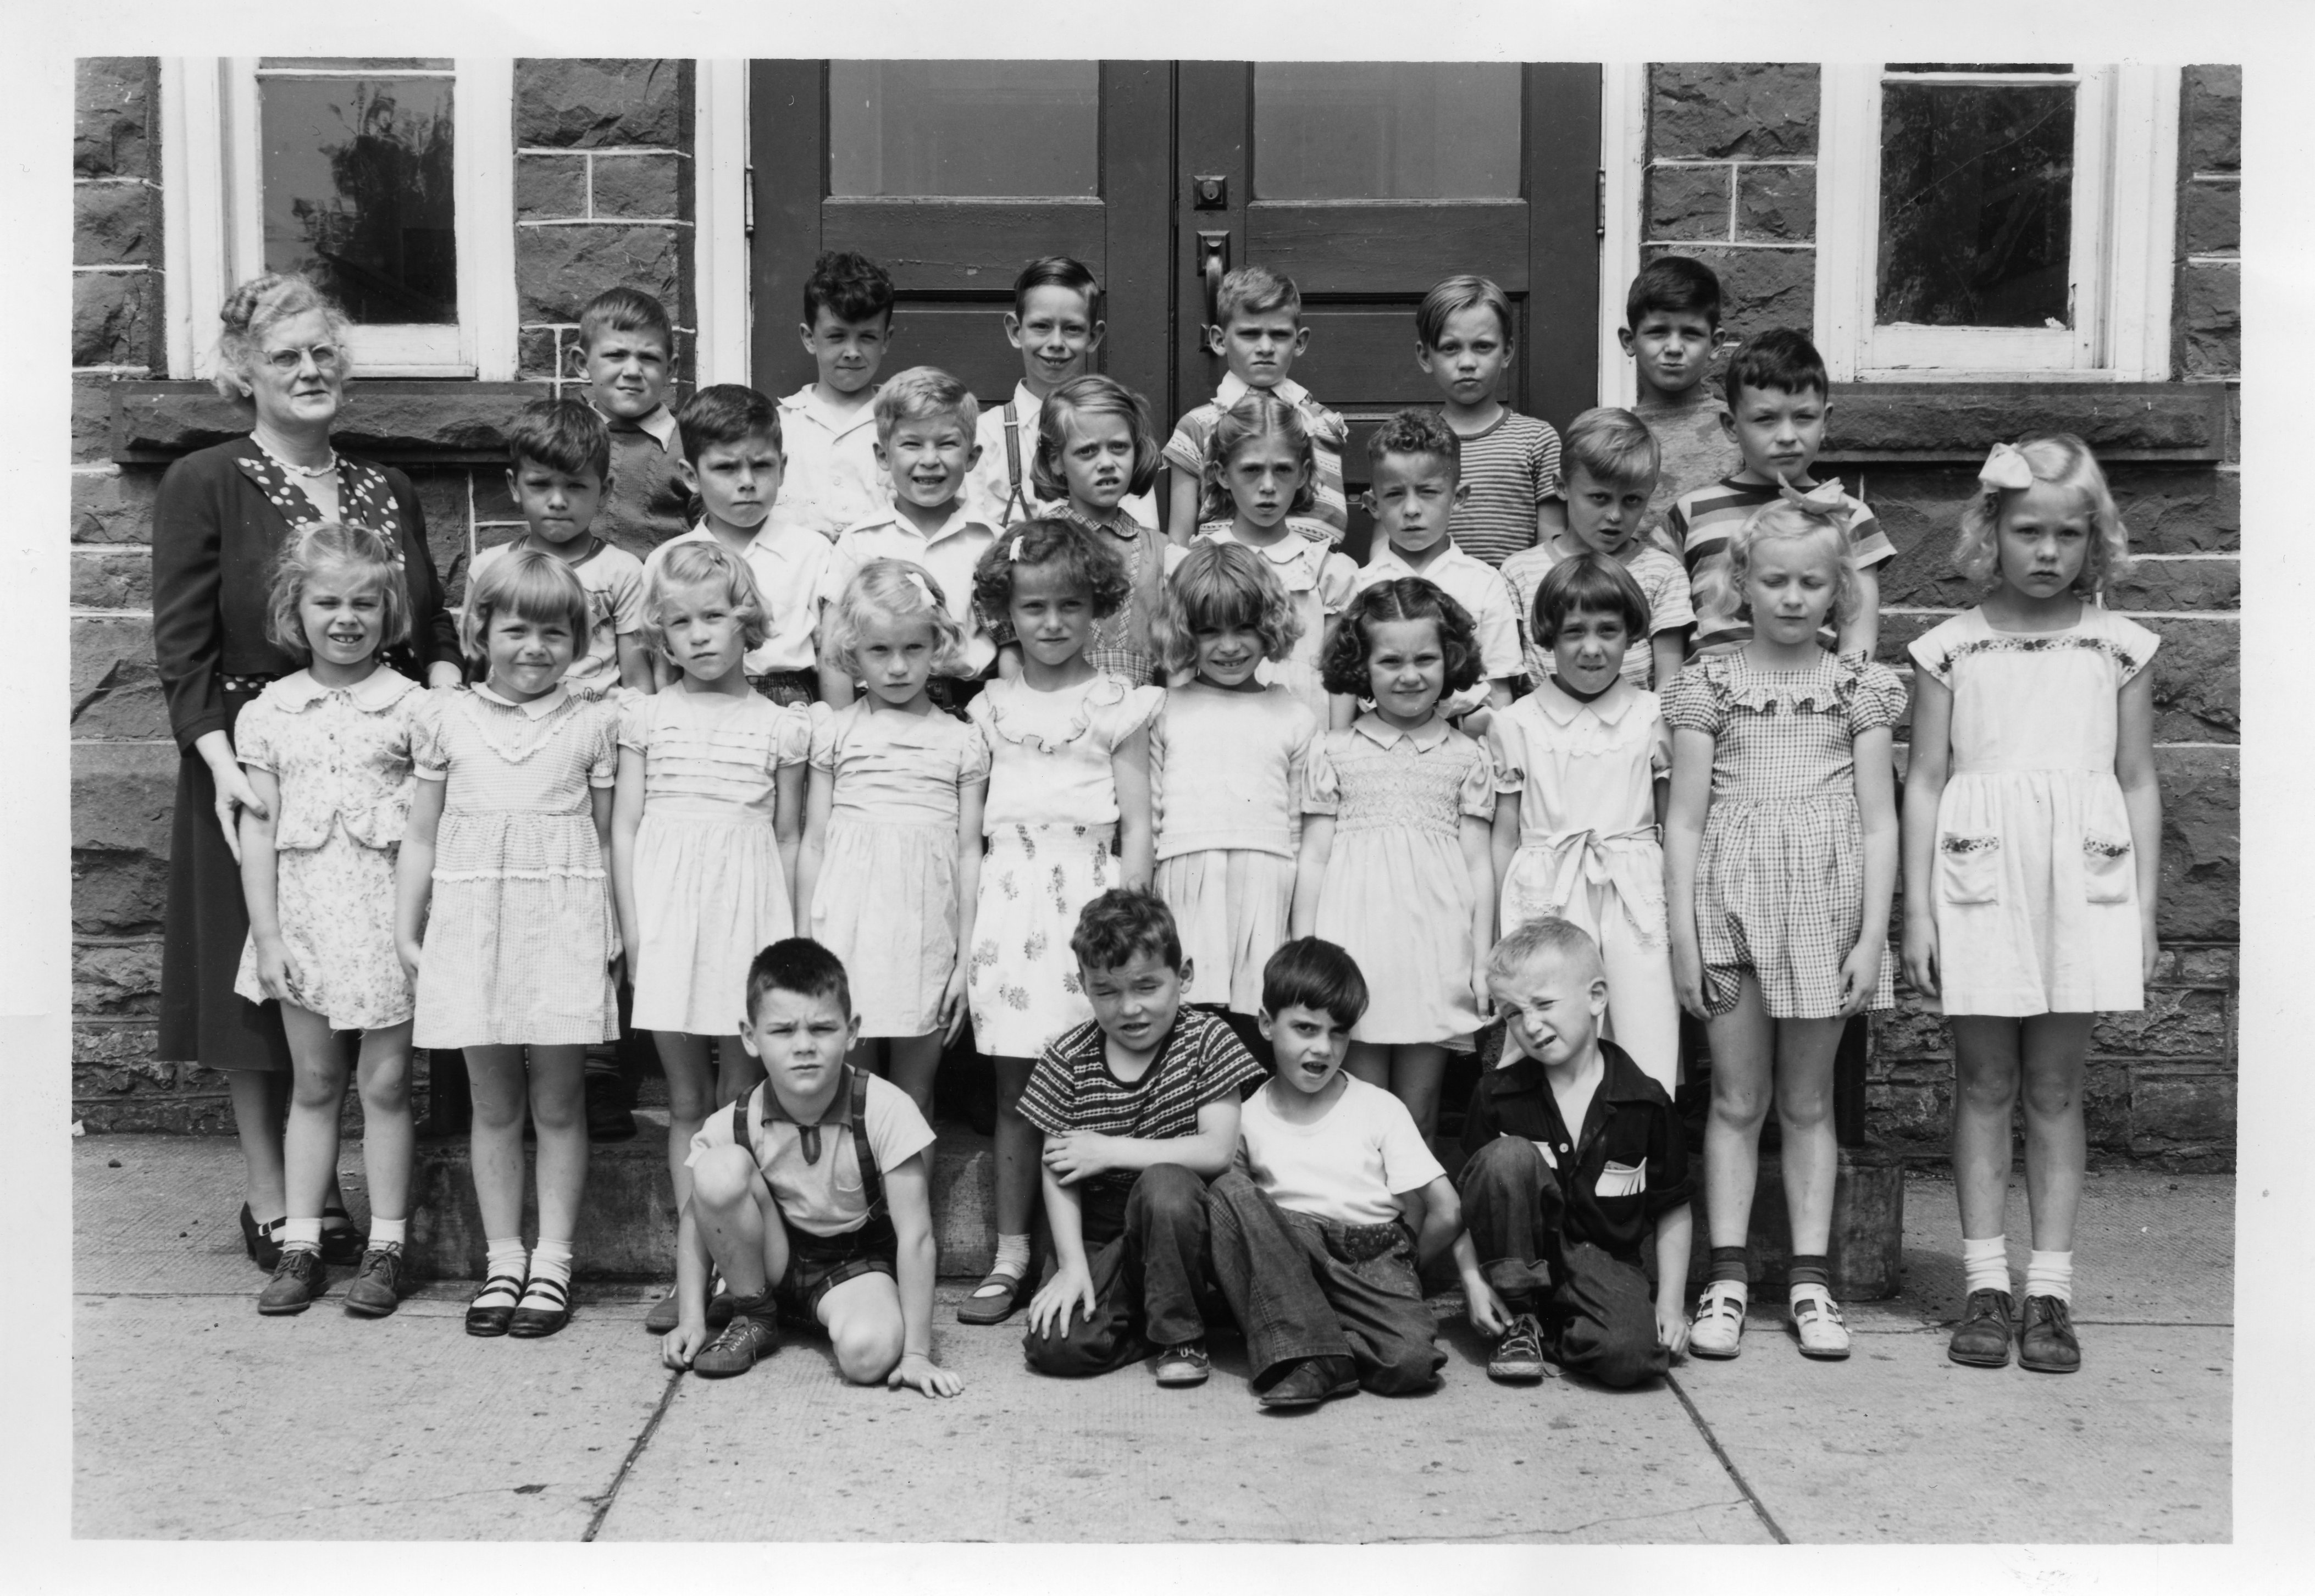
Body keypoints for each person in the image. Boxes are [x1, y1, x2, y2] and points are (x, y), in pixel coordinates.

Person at [151, 272, 460, 1273]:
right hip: (256, 761)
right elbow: (182, 644)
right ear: (243, 372)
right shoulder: (206, 478)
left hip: (377, 760)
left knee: (371, 971)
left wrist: (447, 712)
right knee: (263, 979)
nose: (310, 369)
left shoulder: (386, 486)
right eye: (285, 355)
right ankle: (276, 1190)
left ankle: (369, 1210)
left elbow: (434, 630)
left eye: (325, 351)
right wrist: (218, 761)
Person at [1901, 437, 2162, 1376]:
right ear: (1990, 533)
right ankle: (1983, 1279)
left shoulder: (2116, 646)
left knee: (2053, 1086)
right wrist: (1918, 910)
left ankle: (2048, 1286)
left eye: (2066, 533)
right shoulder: (1950, 648)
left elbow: (2136, 779)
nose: (2046, 551)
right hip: (1980, 869)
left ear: (2094, 540)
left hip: (2081, 873)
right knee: (1983, 1082)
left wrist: (2139, 908)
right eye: (2027, 531)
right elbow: (1925, 780)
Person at [1663, 498, 1907, 1362]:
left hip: (1824, 914)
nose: (1794, 598)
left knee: (1807, 1102)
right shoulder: (1709, 685)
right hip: (1729, 907)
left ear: (1840, 589)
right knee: (1736, 1099)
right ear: (1742, 587)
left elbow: (1881, 822)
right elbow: (1685, 821)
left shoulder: (1860, 686)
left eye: (1813, 582)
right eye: (1776, 581)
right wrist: (1685, 937)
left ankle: (1810, 1281)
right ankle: (1724, 1282)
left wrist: (1872, 935)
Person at [395, 550, 622, 1340]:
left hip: (561, 923)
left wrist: (615, 930)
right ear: (480, 630)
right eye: (516, 629)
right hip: (471, 922)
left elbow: (606, 838)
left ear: (578, 640)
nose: (535, 648)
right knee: (493, 1105)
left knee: (558, 1103)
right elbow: (421, 835)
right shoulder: (444, 717)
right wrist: (408, 924)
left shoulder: (594, 721)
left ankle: (554, 1260)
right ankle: (503, 1259)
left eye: (554, 633)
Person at [956, 522, 1164, 1326]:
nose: (1051, 623)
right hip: (1010, 907)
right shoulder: (992, 706)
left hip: (1091, 900)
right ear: (1007, 612)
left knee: (1091, 1083)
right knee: (1017, 1089)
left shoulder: (1120, 704)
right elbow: (972, 833)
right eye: (1033, 607)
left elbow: (1139, 826)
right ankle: (1013, 1253)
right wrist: (968, 928)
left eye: (1070, 606)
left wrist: (1131, 922)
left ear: (1098, 608)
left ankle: (1087, 1257)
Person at [612, 542, 810, 1337]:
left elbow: (790, 837)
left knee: (740, 1105)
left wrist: (791, 940)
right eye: (680, 623)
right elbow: (625, 827)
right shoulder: (646, 717)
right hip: (667, 913)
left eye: (715, 618)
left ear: (748, 622)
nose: (699, 637)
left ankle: (747, 1271)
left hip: (749, 910)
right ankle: (687, 1267)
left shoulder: (781, 726)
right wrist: (632, 930)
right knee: (686, 1101)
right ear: (661, 633)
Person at [231, 524, 424, 1317]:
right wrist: (268, 936)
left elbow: (431, 825)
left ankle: (386, 1246)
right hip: (306, 914)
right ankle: (301, 1243)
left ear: (389, 611)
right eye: (327, 602)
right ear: (295, 609)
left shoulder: (414, 708)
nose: (346, 618)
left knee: (383, 1084)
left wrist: (420, 930)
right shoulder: (273, 712)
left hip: (385, 917)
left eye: (364, 602)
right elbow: (257, 831)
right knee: (313, 1082)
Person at [659, 940, 961, 1395]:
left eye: (822, 1028)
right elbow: (694, 1218)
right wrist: (690, 1319)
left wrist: (917, 1354)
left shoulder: (884, 1109)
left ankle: (826, 1314)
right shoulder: (738, 1119)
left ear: (852, 1030)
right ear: (749, 1036)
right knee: (715, 1170)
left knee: (869, 1357)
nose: (804, 1046)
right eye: (782, 1031)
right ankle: (756, 1312)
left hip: (853, 1263)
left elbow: (917, 1236)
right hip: (774, 1258)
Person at [1205, 938, 1491, 1407]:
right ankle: (1316, 1342)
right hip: (1291, 1257)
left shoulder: (1379, 1108)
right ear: (1265, 1024)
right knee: (1229, 1191)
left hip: (1373, 1257)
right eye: (1304, 1028)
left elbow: (1447, 1208)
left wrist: (1406, 1267)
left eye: (1338, 1032)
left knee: (1411, 1363)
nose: (1323, 1047)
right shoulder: (1247, 1117)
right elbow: (1242, 1227)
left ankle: (1320, 1349)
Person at [1018, 890, 1267, 1384]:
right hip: (1105, 1236)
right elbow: (1059, 1167)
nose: (1129, 1009)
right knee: (1056, 1349)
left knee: (1165, 1185)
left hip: (1185, 1227)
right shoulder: (1067, 1058)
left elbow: (1217, 1151)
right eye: (1107, 991)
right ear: (1084, 988)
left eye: (1146, 986)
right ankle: (1153, 1327)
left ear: (1185, 976)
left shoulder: (1206, 1041)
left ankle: (1182, 1337)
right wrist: (1071, 1267)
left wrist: (1108, 1150)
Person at [1292, 579, 1496, 1143]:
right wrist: (1303, 953)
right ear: (1362, 668)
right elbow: (1313, 858)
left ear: (1450, 660)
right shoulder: (1334, 752)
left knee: (1419, 1111)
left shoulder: (1467, 757)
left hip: (1434, 949)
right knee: (1357, 1104)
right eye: (1391, 661)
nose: (1410, 676)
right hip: (1353, 943)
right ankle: (1360, 1225)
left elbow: (1479, 866)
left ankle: (1412, 1227)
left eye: (1426, 659)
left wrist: (1481, 962)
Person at [1459, 918, 1694, 1387]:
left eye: (1544, 1004)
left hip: (1605, 1266)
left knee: (1632, 1359)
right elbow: (1465, 1204)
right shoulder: (1496, 1096)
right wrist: (1471, 1281)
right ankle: (1522, 1318)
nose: (1530, 1025)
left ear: (1596, 997)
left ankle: (1562, 1330)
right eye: (1511, 1013)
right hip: (1517, 1266)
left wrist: (1669, 1304)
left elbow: (1673, 1207)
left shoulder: (1645, 1102)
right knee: (1507, 1158)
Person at [796, 560, 990, 1123]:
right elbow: (813, 842)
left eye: (914, 648)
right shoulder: (835, 731)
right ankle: (855, 1211)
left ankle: (907, 1214)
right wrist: (806, 941)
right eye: (880, 651)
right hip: (847, 930)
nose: (900, 666)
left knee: (911, 1098)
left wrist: (963, 958)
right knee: (849, 1090)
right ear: (852, 655)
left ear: (939, 645)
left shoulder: (961, 741)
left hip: (925, 933)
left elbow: (968, 850)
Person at [1487, 556, 1680, 1094]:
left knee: (1642, 1027)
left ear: (1631, 636)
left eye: (1608, 632)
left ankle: (1631, 1165)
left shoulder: (1652, 716)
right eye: (1574, 632)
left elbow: (1672, 820)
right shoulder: (1517, 723)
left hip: (1633, 891)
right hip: (1547, 891)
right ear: (1549, 636)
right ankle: (1543, 1164)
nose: (1591, 648)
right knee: (1549, 1020)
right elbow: (1504, 835)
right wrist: (1499, 937)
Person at [1150, 542, 1320, 1047]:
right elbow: (1154, 815)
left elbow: (1298, 829)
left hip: (1266, 884)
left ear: (1268, 627)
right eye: (1209, 631)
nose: (1229, 646)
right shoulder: (1162, 710)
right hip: (1185, 878)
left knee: (1255, 1028)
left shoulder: (1294, 715)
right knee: (1185, 1026)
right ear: (1185, 634)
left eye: (1243, 627)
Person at [1666, 328, 1895, 663]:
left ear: (1825, 420)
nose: (1787, 436)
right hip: (1710, 703)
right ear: (1731, 426)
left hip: (1811, 701)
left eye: (1804, 417)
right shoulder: (1691, 512)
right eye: (1766, 419)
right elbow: (1667, 623)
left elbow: (1856, 638)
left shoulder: (1849, 515)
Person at [817, 367, 1001, 712]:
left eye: (947, 444)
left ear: (973, 456)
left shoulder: (992, 543)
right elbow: (833, 651)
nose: (929, 460)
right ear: (883, 456)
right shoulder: (859, 543)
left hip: (971, 712)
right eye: (912, 444)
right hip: (877, 713)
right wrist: (841, 735)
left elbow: (1010, 647)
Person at [646, 384, 829, 709]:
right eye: (726, 468)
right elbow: (662, 664)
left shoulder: (812, 551)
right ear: (691, 477)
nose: (747, 481)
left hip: (790, 704)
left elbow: (831, 656)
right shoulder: (666, 560)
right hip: (697, 701)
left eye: (761, 465)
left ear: (782, 468)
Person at [1189, 391, 1359, 721]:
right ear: (1223, 475)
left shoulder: (1322, 571)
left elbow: (1341, 674)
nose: (1268, 486)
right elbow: (1180, 665)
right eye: (1251, 470)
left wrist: (1336, 747)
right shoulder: (1196, 563)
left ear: (1302, 473)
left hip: (1305, 739)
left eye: (1282, 470)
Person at [1349, 411, 1522, 733]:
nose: (1412, 509)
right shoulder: (1359, 585)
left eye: (1428, 492)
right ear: (1373, 505)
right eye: (1395, 494)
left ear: (1458, 498)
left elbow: (1500, 690)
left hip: (1466, 738)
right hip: (1380, 740)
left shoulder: (1483, 583)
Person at [1500, 407, 1693, 693]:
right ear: (1561, 487)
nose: (1615, 515)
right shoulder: (1519, 572)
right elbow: (1508, 677)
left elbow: (1669, 683)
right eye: (1600, 498)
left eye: (1632, 500)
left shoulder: (1662, 573)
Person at [469, 400, 650, 698]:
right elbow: (480, 667)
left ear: (604, 491)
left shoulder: (622, 571)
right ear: (515, 486)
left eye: (575, 486)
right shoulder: (489, 567)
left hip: (596, 728)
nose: (557, 501)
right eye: (540, 485)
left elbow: (637, 679)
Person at [964, 256, 1156, 529]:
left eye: (1072, 329)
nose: (1056, 343)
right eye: (1041, 326)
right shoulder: (986, 434)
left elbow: (1143, 536)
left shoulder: (1120, 432)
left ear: (1094, 337)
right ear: (1016, 331)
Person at [1162, 265, 1348, 546]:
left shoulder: (1318, 422)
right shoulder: (1198, 426)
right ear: (1219, 340)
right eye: (1249, 334)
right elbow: (1180, 539)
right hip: (1227, 573)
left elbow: (1330, 520)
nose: (1265, 347)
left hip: (1310, 576)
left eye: (1279, 335)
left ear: (1299, 342)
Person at [1016, 375, 1167, 686]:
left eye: (1119, 448)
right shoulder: (1030, 547)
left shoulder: (1161, 551)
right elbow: (1012, 655)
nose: (1107, 463)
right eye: (1087, 452)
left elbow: (1176, 661)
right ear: (1056, 460)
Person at [1414, 273, 1563, 569]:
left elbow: (1553, 547)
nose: (1467, 363)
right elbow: (1386, 542)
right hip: (1431, 608)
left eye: (1482, 347)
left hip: (1512, 610)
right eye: (1450, 348)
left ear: (1506, 352)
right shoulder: (1413, 441)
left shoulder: (1537, 440)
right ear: (1425, 357)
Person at [1617, 257, 1741, 550]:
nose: (1674, 348)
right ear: (1629, 340)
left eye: (1691, 334)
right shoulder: (1612, 436)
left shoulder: (1740, 429)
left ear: (1715, 344)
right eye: (1658, 332)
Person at [774, 250, 897, 542]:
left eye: (867, 337)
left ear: (886, 340)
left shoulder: (902, 424)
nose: (852, 352)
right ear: (809, 338)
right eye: (837, 336)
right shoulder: (781, 426)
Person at [578, 286, 693, 563]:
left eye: (649, 358)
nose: (632, 371)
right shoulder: (564, 440)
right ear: (582, 363)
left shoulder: (689, 446)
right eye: (616, 355)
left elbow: (712, 537)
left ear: (670, 369)